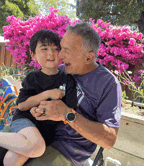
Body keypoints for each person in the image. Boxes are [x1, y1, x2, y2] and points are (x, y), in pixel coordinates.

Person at [0, 29, 77, 166]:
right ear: (33, 55)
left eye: (55, 49)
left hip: (46, 130)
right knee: (37, 148)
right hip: (24, 120)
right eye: (44, 49)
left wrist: (45, 111)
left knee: (14, 159)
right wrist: (46, 94)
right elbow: (22, 105)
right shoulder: (33, 77)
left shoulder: (68, 80)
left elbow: (70, 109)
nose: (51, 53)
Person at [24, 22, 122, 166]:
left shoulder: (108, 84)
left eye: (67, 51)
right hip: (40, 135)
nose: (60, 55)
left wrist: (67, 114)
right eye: (61, 48)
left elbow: (109, 141)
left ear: (88, 58)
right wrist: (36, 108)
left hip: (67, 151)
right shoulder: (59, 71)